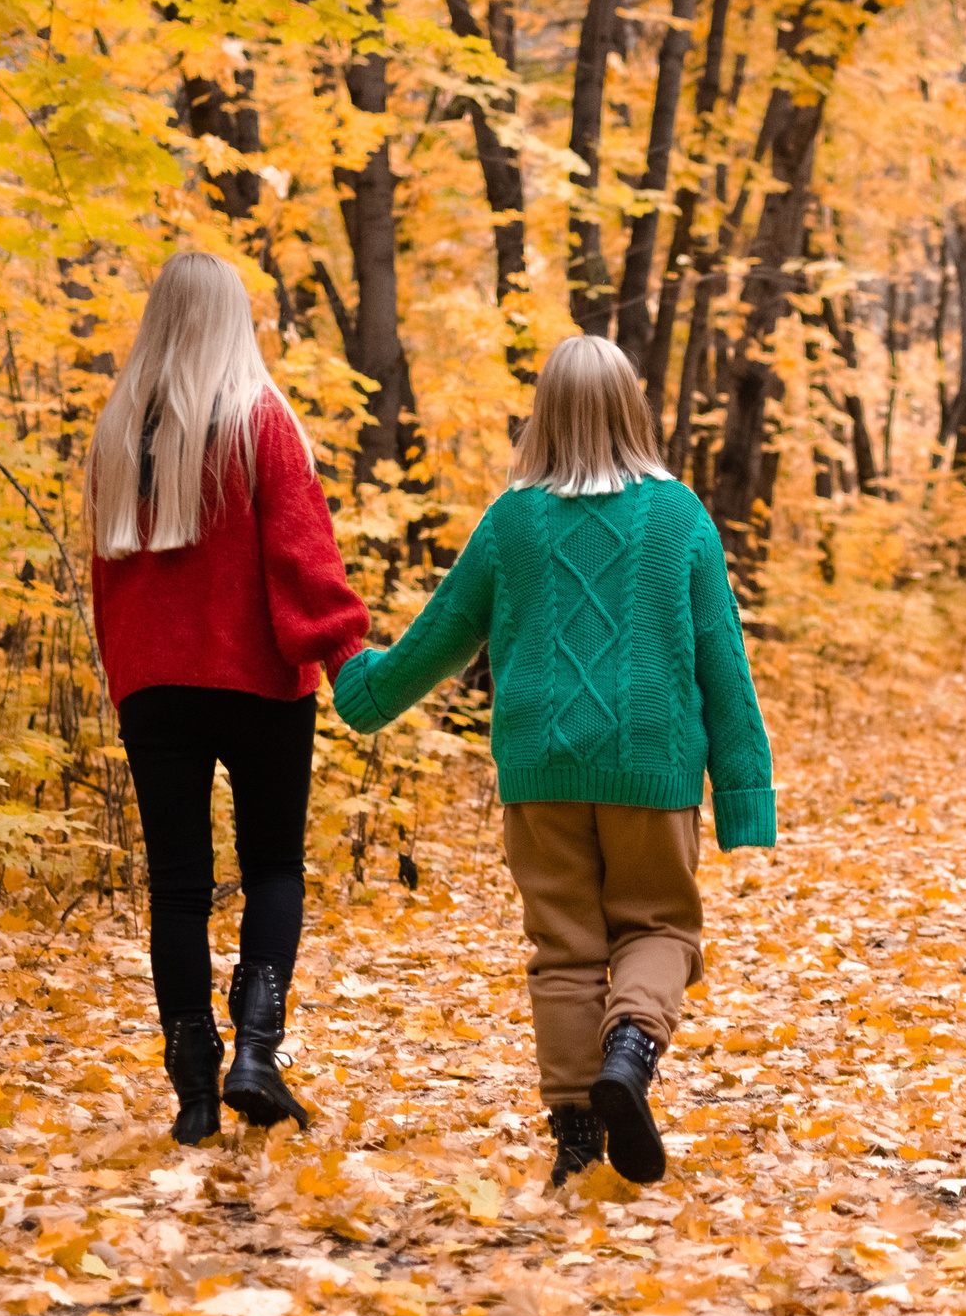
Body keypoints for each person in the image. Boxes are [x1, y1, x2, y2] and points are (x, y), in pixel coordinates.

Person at [331, 335, 776, 1187]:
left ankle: (576, 1142)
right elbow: (724, 658)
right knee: (661, 928)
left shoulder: (513, 521)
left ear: (544, 419)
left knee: (565, 951)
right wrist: (745, 790)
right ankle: (631, 1052)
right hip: (653, 767)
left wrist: (366, 691)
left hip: (540, 769)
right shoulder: (680, 514)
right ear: (631, 411)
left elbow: (441, 636)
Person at [87, 252, 369, 1145]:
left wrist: (124, 677)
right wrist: (343, 653)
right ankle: (256, 1049)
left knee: (177, 890)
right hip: (257, 681)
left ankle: (194, 1092)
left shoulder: (117, 434)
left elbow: (106, 581)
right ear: (233, 321)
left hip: (155, 688)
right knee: (273, 868)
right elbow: (303, 557)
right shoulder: (261, 424)